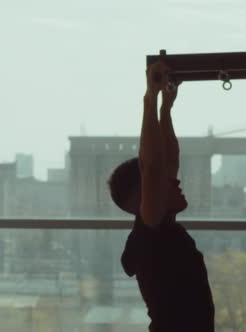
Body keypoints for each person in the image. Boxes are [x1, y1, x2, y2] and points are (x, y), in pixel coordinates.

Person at [107, 62, 215, 331]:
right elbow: (153, 167)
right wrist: (150, 99)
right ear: (144, 195)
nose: (176, 182)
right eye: (162, 183)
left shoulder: (158, 226)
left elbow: (167, 159)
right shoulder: (150, 229)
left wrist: (166, 107)